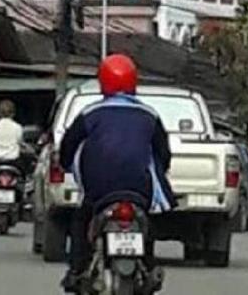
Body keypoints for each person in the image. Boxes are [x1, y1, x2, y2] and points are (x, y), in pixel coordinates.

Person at [58, 54, 174, 293]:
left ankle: (77, 271)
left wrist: (66, 165)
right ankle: (149, 268)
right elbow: (163, 153)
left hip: (99, 189)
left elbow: (68, 146)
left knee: (81, 222)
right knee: (145, 225)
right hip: (139, 187)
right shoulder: (149, 115)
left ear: (103, 82)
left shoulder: (90, 113)